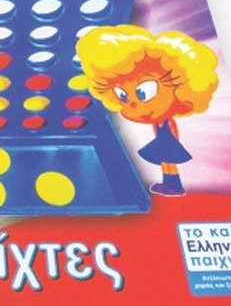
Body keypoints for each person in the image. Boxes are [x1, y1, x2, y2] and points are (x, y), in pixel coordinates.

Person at [77, 25, 218, 196]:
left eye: (143, 92)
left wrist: (169, 141)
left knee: (169, 163)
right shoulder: (157, 120)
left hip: (168, 142)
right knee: (166, 163)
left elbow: (172, 131)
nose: (132, 105)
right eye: (123, 96)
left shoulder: (167, 119)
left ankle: (174, 185)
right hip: (163, 141)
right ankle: (170, 183)